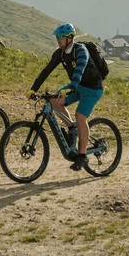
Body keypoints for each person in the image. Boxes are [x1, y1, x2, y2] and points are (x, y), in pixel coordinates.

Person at [30, 22, 104, 170]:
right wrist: (33, 89)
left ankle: (82, 156)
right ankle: (72, 129)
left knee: (80, 116)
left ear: (70, 38)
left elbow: (80, 70)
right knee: (52, 101)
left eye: (61, 37)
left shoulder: (81, 50)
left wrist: (71, 87)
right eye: (57, 37)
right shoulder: (60, 53)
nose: (58, 39)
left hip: (92, 88)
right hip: (76, 86)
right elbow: (46, 70)